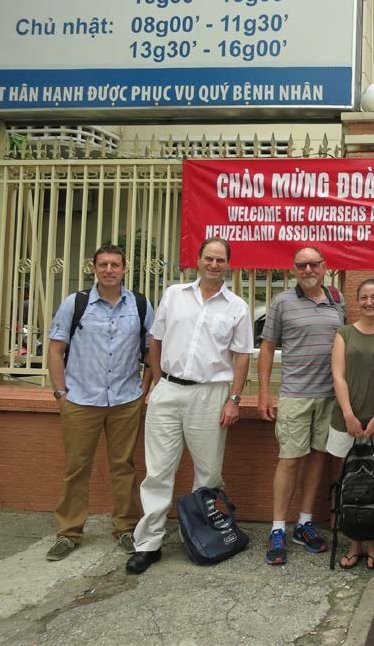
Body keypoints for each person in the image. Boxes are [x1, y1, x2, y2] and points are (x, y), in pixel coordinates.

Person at [126, 237, 253, 575]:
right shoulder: (173, 295)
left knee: (208, 472)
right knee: (158, 471)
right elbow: (156, 339)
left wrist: (234, 399)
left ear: (228, 264)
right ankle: (149, 544)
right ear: (197, 260)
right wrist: (156, 382)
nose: (214, 265)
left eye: (220, 260)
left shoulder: (237, 306)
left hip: (210, 394)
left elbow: (242, 357)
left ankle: (200, 536)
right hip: (168, 389)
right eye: (208, 258)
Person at [45, 244, 154, 561]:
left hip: (125, 399)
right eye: (104, 264)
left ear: (124, 268)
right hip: (81, 400)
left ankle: (125, 528)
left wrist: (144, 387)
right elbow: (55, 350)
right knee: (76, 468)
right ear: (94, 267)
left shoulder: (140, 304)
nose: (109, 269)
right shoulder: (76, 303)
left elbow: (151, 350)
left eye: (115, 264)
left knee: (124, 466)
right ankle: (69, 532)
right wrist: (60, 393)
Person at [258, 247, 344, 564]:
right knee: (290, 460)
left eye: (314, 264)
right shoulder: (282, 303)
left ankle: (304, 523)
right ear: (294, 269)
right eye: (302, 265)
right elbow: (267, 349)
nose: (308, 269)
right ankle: (278, 528)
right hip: (294, 395)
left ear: (324, 267)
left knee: (318, 460)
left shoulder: (338, 300)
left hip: (329, 396)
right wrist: (266, 393)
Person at [329, 278, 374, 570]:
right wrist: (348, 413)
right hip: (345, 421)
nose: (369, 302)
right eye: (364, 297)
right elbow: (338, 375)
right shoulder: (344, 333)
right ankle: (354, 542)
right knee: (348, 483)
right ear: (356, 301)